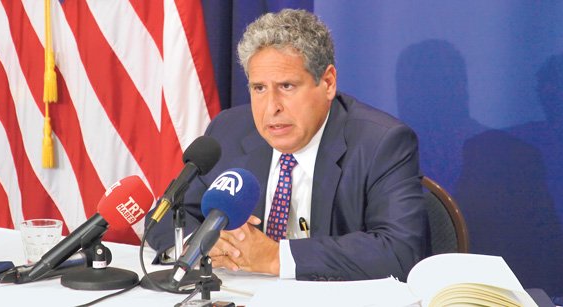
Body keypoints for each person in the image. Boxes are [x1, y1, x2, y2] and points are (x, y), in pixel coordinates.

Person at [146, 8, 429, 282]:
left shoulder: (381, 143)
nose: (271, 108)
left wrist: (276, 257)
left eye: (287, 86)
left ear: (328, 82)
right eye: (259, 88)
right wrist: (202, 243)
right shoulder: (229, 130)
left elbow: (401, 251)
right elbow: (164, 218)